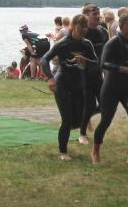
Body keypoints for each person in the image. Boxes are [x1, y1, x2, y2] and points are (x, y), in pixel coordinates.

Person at [40, 14, 98, 160]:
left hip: (79, 83)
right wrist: (50, 78)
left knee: (77, 120)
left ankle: (79, 125)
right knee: (66, 120)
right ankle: (63, 152)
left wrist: (85, 60)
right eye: (81, 27)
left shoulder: (86, 44)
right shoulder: (63, 43)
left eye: (85, 28)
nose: (83, 30)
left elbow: (96, 63)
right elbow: (44, 60)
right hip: (62, 84)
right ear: (73, 26)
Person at [91, 13, 128, 168]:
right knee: (106, 121)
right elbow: (104, 64)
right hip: (111, 87)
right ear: (121, 26)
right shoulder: (113, 42)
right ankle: (95, 151)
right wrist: (126, 69)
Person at [81, 4, 110, 144]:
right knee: (89, 103)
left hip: (98, 73)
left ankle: (86, 118)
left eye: (99, 13)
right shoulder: (82, 32)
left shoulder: (103, 31)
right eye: (95, 14)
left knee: (106, 105)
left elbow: (107, 55)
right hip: (84, 74)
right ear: (86, 16)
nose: (98, 16)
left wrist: (107, 75)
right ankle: (82, 134)